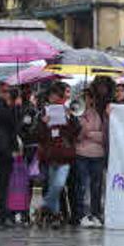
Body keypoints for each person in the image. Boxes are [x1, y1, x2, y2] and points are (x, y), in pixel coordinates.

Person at [35, 83, 80, 229]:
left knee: (59, 184)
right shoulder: (43, 112)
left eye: (56, 95)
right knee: (52, 186)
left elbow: (76, 132)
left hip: (64, 155)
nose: (53, 97)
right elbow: (37, 135)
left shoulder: (68, 111)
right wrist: (43, 124)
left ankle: (44, 207)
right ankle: (56, 216)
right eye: (51, 95)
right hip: (48, 155)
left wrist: (70, 118)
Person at [75, 88, 107, 228]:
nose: (86, 100)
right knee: (83, 185)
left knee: (96, 186)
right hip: (81, 154)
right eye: (84, 97)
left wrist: (91, 134)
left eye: (88, 97)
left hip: (98, 155)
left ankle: (95, 213)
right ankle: (83, 214)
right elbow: (78, 135)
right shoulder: (77, 113)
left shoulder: (99, 114)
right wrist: (86, 131)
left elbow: (104, 135)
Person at [0, 87, 23, 227]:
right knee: (3, 183)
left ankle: (7, 212)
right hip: (3, 149)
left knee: (9, 183)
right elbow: (11, 124)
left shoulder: (11, 108)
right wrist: (15, 108)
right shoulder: (0, 108)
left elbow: (17, 126)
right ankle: (2, 213)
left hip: (9, 147)